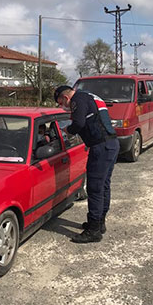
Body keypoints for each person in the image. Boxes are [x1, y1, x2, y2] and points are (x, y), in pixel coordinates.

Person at [54, 85, 119, 243]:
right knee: (104, 185)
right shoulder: (90, 96)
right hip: (111, 143)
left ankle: (93, 231)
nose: (63, 106)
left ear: (66, 98)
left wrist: (68, 130)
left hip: (101, 146)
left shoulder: (78, 100)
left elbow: (79, 123)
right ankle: (99, 222)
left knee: (94, 188)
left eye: (61, 103)